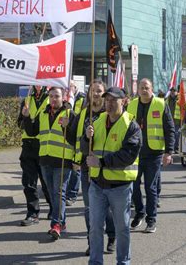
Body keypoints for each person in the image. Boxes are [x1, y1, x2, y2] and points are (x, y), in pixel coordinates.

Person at [84, 87, 142, 265]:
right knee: (95, 228)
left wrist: (101, 162)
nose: (108, 104)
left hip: (120, 187)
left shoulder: (131, 125)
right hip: (97, 185)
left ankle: (123, 262)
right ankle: (95, 262)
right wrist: (86, 138)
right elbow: (85, 149)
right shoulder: (97, 121)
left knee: (122, 228)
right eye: (106, 100)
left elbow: (127, 156)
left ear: (123, 101)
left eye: (113, 100)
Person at [22, 86, 76, 240]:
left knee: (59, 193)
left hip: (62, 160)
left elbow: (74, 139)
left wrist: (68, 128)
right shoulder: (44, 114)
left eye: (57, 96)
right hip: (45, 160)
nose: (53, 99)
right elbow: (33, 132)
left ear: (63, 97)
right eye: (51, 96)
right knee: (53, 194)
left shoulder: (69, 114)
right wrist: (26, 117)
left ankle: (56, 225)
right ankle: (62, 222)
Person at [70, 79, 116, 256]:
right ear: (89, 94)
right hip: (87, 166)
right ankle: (93, 242)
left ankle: (111, 236)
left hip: (105, 167)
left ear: (104, 94)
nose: (96, 94)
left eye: (99, 91)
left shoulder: (110, 113)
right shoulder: (83, 113)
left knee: (107, 207)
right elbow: (75, 139)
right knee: (90, 208)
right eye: (93, 91)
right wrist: (85, 138)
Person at [127, 78, 175, 233]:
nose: (143, 90)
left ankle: (151, 219)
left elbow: (169, 129)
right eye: (141, 87)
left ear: (152, 88)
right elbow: (124, 127)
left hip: (154, 153)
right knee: (133, 186)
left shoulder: (161, 104)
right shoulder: (132, 104)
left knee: (150, 188)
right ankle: (140, 213)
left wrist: (169, 152)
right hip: (135, 153)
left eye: (146, 87)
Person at [17, 85, 52, 226]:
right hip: (28, 146)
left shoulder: (51, 99)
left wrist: (31, 122)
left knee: (46, 182)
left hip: (44, 145)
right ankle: (32, 213)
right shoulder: (27, 99)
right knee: (28, 182)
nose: (37, 84)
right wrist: (25, 118)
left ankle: (55, 209)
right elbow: (19, 123)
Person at [66, 80, 86, 205]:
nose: (68, 89)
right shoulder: (65, 99)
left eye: (70, 87)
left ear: (75, 87)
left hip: (79, 136)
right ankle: (68, 191)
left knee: (76, 167)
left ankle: (72, 195)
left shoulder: (82, 99)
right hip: (68, 134)